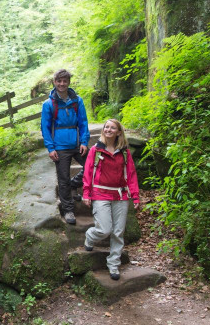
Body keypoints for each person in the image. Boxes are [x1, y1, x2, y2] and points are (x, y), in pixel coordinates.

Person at [82, 119, 140, 280]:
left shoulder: (124, 152)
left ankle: (114, 264)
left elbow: (131, 174)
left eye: (112, 128)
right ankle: (90, 236)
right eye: (106, 127)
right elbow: (87, 173)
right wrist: (87, 193)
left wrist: (135, 196)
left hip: (120, 195)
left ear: (118, 132)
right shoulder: (96, 150)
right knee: (104, 229)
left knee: (118, 232)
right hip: (100, 194)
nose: (108, 129)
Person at [41, 69, 90, 225]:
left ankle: (74, 184)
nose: (62, 84)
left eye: (65, 81)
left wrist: (84, 141)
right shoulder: (49, 104)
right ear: (54, 82)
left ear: (69, 82)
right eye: (59, 81)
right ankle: (68, 210)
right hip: (60, 147)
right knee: (63, 179)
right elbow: (45, 128)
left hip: (76, 144)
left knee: (93, 166)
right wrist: (50, 148)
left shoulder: (77, 101)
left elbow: (83, 122)